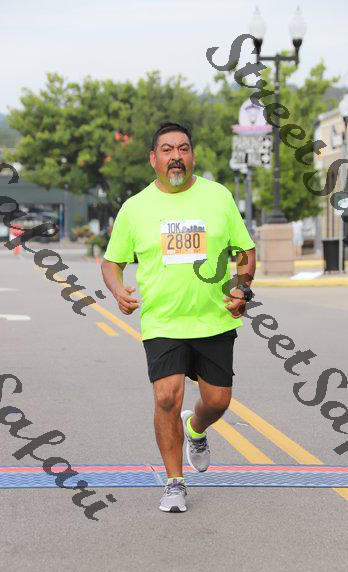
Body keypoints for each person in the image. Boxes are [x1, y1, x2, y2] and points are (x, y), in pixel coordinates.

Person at [101, 122, 256, 513]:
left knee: (217, 401)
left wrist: (241, 288)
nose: (176, 156)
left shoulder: (218, 197)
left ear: (192, 156)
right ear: (153, 159)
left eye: (183, 149)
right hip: (163, 323)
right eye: (167, 150)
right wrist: (118, 290)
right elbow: (112, 262)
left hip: (214, 320)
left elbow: (244, 252)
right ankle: (174, 482)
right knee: (166, 397)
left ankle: (196, 429)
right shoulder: (135, 208)